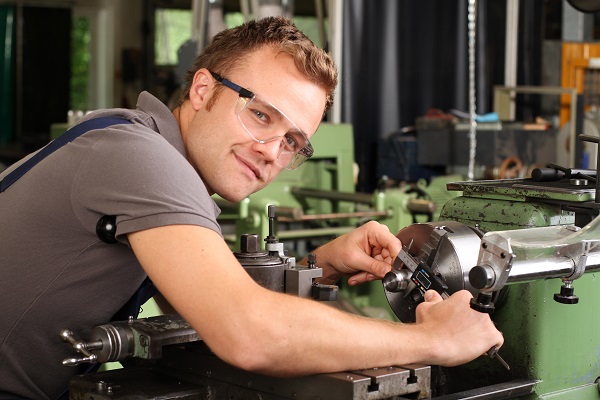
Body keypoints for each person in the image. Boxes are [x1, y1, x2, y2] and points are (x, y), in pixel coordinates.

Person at [0, 16, 503, 399]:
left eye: (292, 141)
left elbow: (197, 300)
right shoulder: (140, 158)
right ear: (202, 90)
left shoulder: (151, 153)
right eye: (260, 114)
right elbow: (247, 333)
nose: (270, 149)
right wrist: (435, 342)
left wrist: (317, 266)